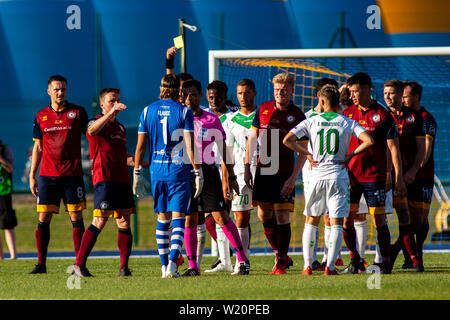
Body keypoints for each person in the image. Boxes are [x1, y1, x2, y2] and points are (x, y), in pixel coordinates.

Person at [284, 84, 374, 275]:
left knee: (311, 219)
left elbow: (287, 140)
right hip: (337, 175)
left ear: (323, 101)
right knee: (336, 222)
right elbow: (368, 140)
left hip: (316, 175)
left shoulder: (311, 121)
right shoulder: (346, 122)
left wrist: (306, 152)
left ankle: (307, 266)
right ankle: (330, 267)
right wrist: (350, 156)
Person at [133, 74, 202, 279]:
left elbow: (140, 147)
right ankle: (172, 264)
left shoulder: (147, 111)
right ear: (178, 92)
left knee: (162, 219)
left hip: (157, 172)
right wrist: (198, 172)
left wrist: (137, 173)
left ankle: (164, 267)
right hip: (179, 172)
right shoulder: (184, 111)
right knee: (179, 218)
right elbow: (189, 145)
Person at [181, 79, 250, 276]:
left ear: (200, 96)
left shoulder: (212, 119)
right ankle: (193, 267)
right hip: (186, 173)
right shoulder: (178, 118)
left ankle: (242, 260)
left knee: (220, 216)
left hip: (209, 172)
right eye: (185, 95)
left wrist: (232, 177)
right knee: (190, 220)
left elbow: (224, 151)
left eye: (193, 94)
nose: (188, 99)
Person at [72, 88, 144, 277]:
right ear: (102, 104)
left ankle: (124, 268)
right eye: (112, 100)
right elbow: (91, 130)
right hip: (104, 180)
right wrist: (110, 113)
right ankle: (78, 266)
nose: (116, 103)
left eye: (118, 100)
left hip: (122, 180)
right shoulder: (95, 122)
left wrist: (140, 162)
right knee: (99, 220)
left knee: (124, 222)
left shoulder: (120, 128)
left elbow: (122, 157)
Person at [342, 72, 405, 274]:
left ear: (368, 89)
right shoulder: (347, 113)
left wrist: (398, 177)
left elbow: (394, 148)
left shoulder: (383, 115)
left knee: (379, 220)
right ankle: (355, 261)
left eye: (356, 91)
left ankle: (385, 263)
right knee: (346, 220)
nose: (352, 95)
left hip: (374, 177)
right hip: (351, 177)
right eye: (350, 91)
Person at [245, 72, 306, 275]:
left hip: (284, 172)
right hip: (264, 170)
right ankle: (281, 254)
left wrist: (293, 178)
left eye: (285, 89)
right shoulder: (262, 109)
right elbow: (252, 138)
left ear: (292, 90)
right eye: (277, 89)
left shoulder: (298, 116)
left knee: (281, 215)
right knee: (263, 213)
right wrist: (247, 167)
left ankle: (280, 262)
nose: (281, 93)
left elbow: (304, 152)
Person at [29, 75, 88, 274]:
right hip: (48, 175)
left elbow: (92, 135)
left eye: (63, 89)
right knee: (44, 217)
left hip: (72, 175)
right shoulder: (40, 116)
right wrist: (32, 175)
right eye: (56, 89)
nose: (60, 92)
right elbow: (37, 148)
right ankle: (40, 264)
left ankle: (79, 265)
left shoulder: (78, 112)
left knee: (76, 216)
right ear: (49, 91)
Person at [212, 78, 258, 274]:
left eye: (247, 93)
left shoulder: (262, 116)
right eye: (240, 93)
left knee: (269, 215)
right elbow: (226, 150)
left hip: (264, 171)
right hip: (239, 172)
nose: (243, 97)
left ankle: (279, 259)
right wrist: (226, 177)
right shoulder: (230, 121)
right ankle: (241, 261)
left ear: (254, 93)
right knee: (240, 217)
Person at [383, 80, 422, 271]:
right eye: (385, 93)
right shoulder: (382, 116)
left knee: (412, 220)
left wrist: (413, 171)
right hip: (387, 177)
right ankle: (409, 260)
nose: (388, 97)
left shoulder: (413, 118)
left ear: (401, 95)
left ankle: (411, 259)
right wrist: (389, 174)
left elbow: (421, 148)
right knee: (385, 219)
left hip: (409, 177)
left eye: (391, 93)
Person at [402, 81, 437, 271]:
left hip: (422, 176)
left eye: (405, 96)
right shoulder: (402, 118)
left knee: (420, 221)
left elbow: (426, 150)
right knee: (406, 218)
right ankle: (411, 258)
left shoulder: (425, 119)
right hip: (404, 175)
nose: (403, 99)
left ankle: (416, 253)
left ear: (416, 97)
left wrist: (413, 172)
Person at [0, 140, 17, 260]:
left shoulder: (6, 151)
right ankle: (0, 256)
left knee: (7, 225)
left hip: (4, 192)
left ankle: (13, 255)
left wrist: (0, 158)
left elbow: (10, 168)